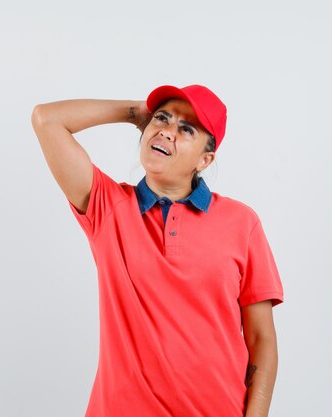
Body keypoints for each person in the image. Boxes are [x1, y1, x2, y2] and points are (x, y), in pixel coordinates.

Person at [31, 84, 284, 417]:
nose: (167, 131)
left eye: (186, 129)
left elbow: (261, 340)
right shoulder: (108, 208)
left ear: (205, 158)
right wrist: (135, 112)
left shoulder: (242, 222)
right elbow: (46, 119)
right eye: (162, 119)